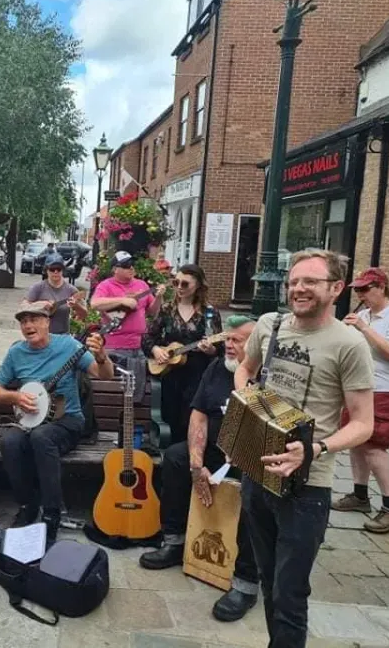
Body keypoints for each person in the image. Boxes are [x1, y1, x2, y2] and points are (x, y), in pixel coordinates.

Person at [234, 248, 374, 648]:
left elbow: (363, 424)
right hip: (257, 469)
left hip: (307, 487)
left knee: (290, 593)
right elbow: (245, 368)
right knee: (267, 580)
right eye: (294, 281)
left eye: (310, 281)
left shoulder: (350, 344)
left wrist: (314, 449)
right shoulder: (269, 324)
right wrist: (247, 402)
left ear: (336, 288)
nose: (298, 288)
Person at [139, 316, 260, 623]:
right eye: (227, 339)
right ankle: (175, 541)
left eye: (237, 341)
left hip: (251, 456)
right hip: (215, 449)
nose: (228, 346)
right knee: (176, 457)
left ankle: (246, 583)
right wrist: (196, 463)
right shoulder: (217, 368)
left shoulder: (267, 376)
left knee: (256, 487)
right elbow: (199, 414)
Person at [0, 300, 115, 540]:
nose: (28, 325)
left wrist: (101, 356)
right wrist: (15, 397)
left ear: (47, 322)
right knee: (10, 442)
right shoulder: (16, 353)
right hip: (30, 420)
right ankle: (27, 506)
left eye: (34, 319)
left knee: (41, 437)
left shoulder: (68, 346)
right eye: (24, 321)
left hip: (68, 420)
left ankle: (52, 513)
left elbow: (104, 374)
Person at [332, 268, 389, 533]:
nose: (360, 295)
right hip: (362, 387)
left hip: (388, 390)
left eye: (365, 289)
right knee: (356, 441)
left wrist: (364, 328)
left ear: (381, 287)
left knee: (374, 446)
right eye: (357, 290)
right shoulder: (364, 314)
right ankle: (360, 495)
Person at [142, 264, 222, 444]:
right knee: (171, 417)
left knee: (192, 419)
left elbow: (220, 347)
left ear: (198, 286)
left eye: (185, 284)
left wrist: (211, 350)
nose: (179, 287)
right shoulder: (167, 309)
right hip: (170, 373)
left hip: (198, 375)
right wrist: (156, 350)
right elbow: (147, 337)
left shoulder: (209, 313)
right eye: (176, 282)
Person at [91, 251, 162, 404]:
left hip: (140, 346)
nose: (131, 268)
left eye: (132, 265)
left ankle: (134, 419)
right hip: (116, 348)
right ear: (115, 269)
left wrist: (159, 297)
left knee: (138, 391)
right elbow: (95, 303)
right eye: (126, 265)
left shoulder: (142, 285)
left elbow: (152, 312)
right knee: (116, 392)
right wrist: (122, 300)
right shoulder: (106, 285)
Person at [25, 253, 87, 335]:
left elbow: (83, 315)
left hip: (62, 335)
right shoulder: (37, 288)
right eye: (52, 269)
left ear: (63, 270)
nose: (55, 272)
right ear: (46, 270)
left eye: (59, 269)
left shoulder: (71, 290)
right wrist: (39, 304)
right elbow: (24, 308)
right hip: (39, 335)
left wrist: (76, 306)